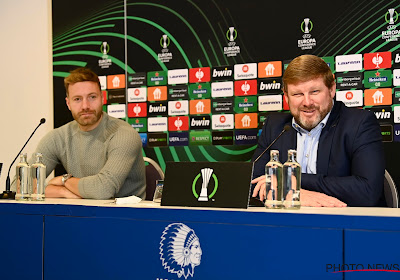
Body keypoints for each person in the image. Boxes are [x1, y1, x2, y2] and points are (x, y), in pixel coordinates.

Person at [251, 55, 385, 207]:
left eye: (314, 91)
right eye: (297, 94)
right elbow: (251, 184)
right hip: (287, 223)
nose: (307, 102)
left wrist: (292, 183)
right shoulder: (275, 126)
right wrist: (295, 194)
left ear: (332, 89)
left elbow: (367, 191)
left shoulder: (359, 123)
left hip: (345, 223)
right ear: (286, 97)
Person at [31, 67, 146, 199]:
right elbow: (21, 186)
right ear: (68, 103)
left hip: (123, 216)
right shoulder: (58, 137)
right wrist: (63, 192)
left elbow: (103, 190)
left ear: (102, 98)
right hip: (78, 214)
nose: (85, 106)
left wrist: (65, 180)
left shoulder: (123, 134)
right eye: (77, 99)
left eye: (92, 97)